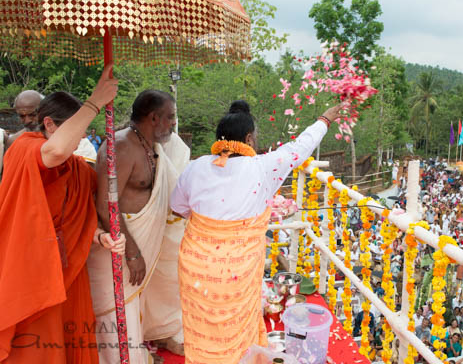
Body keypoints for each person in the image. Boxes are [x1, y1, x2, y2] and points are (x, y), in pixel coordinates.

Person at [170, 100, 346, 363]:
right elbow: (300, 148)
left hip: (197, 270)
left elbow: (177, 208)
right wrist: (325, 119)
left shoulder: (195, 167)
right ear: (249, 139)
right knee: (236, 331)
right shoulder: (263, 168)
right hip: (236, 274)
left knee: (202, 328)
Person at [0, 66, 125, 363]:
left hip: (68, 271)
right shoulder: (23, 148)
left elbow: (81, 220)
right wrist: (94, 102)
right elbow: (54, 152)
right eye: (75, 129)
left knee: (67, 346)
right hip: (31, 270)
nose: (79, 138)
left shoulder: (80, 169)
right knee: (34, 349)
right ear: (49, 124)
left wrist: (101, 237)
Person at [87, 90, 188, 363]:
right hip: (117, 250)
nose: (173, 124)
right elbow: (106, 207)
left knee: (135, 315)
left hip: (136, 249)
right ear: (154, 117)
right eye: (170, 117)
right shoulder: (120, 147)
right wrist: (131, 253)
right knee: (118, 321)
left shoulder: (152, 146)